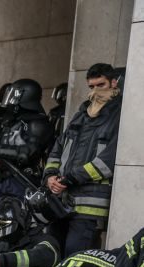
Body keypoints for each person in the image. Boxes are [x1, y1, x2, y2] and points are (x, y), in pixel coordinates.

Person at [44, 63, 123, 255]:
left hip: (90, 207)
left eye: (101, 85)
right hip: (61, 201)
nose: (95, 91)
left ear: (114, 83)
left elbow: (109, 160)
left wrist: (71, 178)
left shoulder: (120, 115)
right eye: (91, 87)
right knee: (53, 252)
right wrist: (50, 175)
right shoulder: (81, 115)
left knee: (76, 256)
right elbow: (58, 148)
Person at [0, 78, 53, 202]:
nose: (11, 99)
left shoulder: (38, 123)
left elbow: (27, 153)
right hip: (2, 179)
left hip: (24, 180)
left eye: (15, 94)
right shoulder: (10, 120)